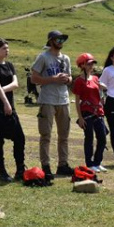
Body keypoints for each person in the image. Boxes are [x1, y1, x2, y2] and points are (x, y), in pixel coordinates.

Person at [31, 30, 74, 177]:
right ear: (50, 41)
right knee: (46, 135)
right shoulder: (43, 57)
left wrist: (67, 79)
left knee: (64, 135)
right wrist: (52, 79)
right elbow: (33, 78)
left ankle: (63, 164)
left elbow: (70, 78)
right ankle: (46, 166)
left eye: (62, 40)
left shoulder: (66, 58)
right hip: (47, 100)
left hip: (64, 100)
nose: (60, 42)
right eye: (58, 40)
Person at [0, 38, 27, 182]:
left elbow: (15, 84)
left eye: (7, 48)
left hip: (9, 105)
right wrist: (5, 102)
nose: (6, 51)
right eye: (3, 48)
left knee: (19, 137)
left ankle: (20, 169)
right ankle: (2, 171)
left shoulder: (9, 65)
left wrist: (0, 90)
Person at [72, 53, 108, 172]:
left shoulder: (96, 79)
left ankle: (97, 162)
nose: (91, 65)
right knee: (89, 138)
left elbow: (101, 92)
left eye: (92, 63)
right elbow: (77, 101)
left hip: (98, 112)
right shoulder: (78, 81)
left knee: (102, 137)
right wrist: (80, 117)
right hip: (86, 112)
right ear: (82, 65)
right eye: (89, 63)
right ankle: (89, 163)